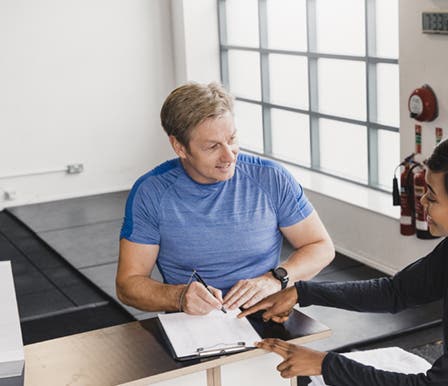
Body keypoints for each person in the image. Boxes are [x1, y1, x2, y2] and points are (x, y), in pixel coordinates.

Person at [240, 128, 448, 385]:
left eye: (432, 198)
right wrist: (303, 291)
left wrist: (325, 364)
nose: (423, 206)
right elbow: (395, 292)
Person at [116, 82, 335, 315]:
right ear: (179, 147)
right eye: (212, 147)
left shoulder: (272, 178)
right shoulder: (151, 192)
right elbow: (128, 284)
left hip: (267, 313)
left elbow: (321, 246)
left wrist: (275, 279)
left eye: (231, 139)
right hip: (193, 321)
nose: (229, 156)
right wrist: (179, 297)